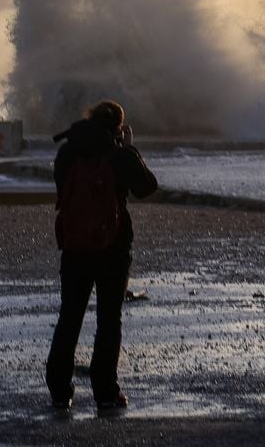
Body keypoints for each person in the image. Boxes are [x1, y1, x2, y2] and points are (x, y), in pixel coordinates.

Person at [45, 99, 158, 411]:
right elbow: (147, 188)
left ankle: (59, 391)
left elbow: (60, 188)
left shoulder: (67, 152)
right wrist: (131, 151)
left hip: (74, 248)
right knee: (109, 320)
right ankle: (106, 392)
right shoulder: (120, 154)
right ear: (118, 128)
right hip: (113, 249)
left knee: (69, 317)